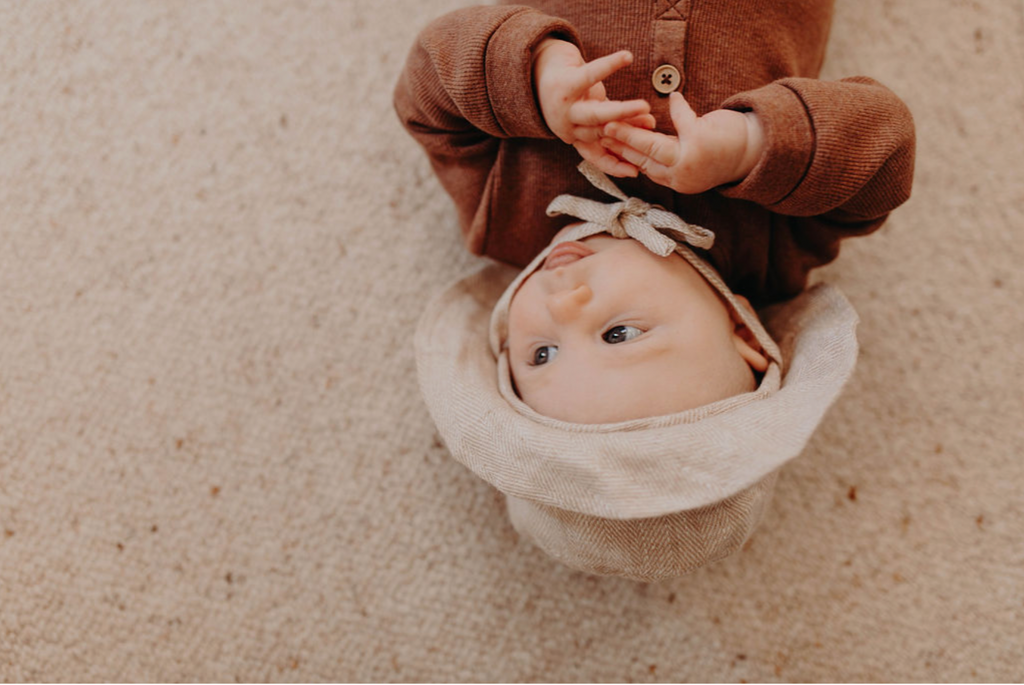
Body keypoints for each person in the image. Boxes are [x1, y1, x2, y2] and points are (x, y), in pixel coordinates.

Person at [396, 0, 915, 578]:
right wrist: (750, 145)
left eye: (541, 354)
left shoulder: (507, 216)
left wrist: (538, 75)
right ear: (742, 328)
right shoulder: (769, 252)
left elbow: (428, 87)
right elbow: (884, 151)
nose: (561, 303)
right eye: (618, 334)